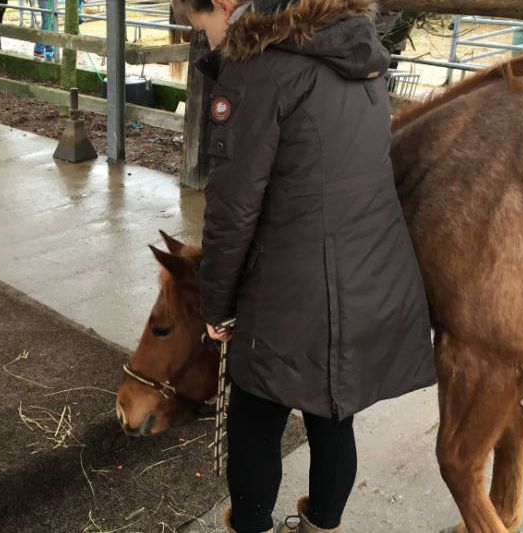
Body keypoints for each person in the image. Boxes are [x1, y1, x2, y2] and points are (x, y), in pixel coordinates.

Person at [175, 0, 437, 531]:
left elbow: (232, 209)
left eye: (202, 27)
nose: (208, 41)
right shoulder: (355, 54)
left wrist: (217, 305)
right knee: (333, 413)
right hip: (369, 271)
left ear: (226, 4)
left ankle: (250, 523)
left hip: (292, 289)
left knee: (255, 416)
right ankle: (322, 524)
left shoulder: (259, 68)